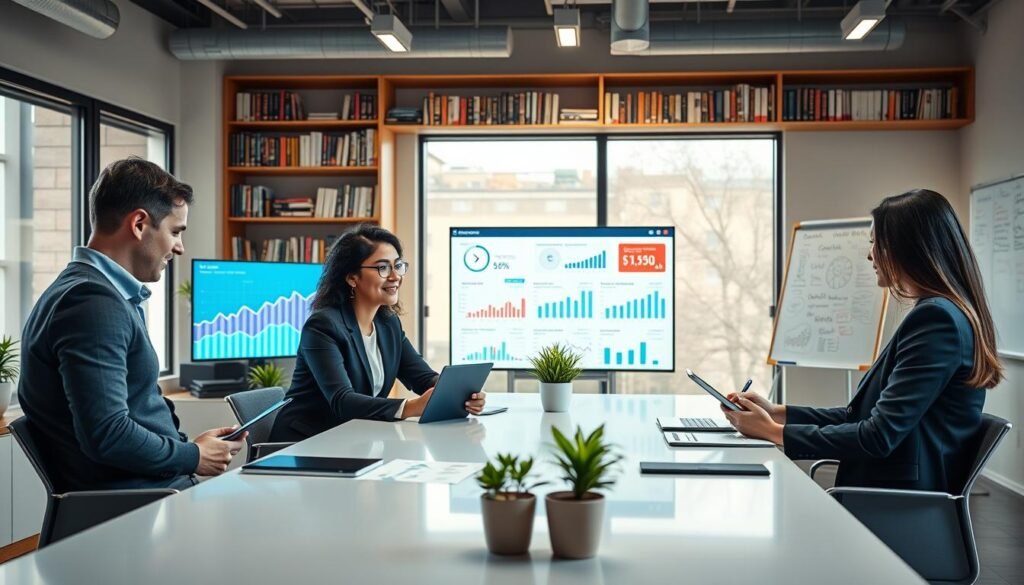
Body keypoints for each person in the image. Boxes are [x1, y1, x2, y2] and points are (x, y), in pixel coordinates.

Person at [724, 189, 1003, 492]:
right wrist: (777, 412)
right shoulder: (940, 314)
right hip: (887, 493)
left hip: (895, 503)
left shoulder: (937, 320)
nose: (870, 254)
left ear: (908, 248)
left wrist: (774, 432)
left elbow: (878, 436)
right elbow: (858, 417)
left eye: (875, 243)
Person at [18, 157, 246, 492]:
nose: (179, 247)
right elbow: (108, 434)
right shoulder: (92, 303)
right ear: (139, 224)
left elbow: (132, 410)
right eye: (175, 231)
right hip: (137, 508)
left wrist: (191, 449)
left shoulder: (97, 293)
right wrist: (191, 456)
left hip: (157, 492)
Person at [270, 225, 486, 442]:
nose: (395, 277)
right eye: (383, 268)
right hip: (304, 443)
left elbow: (422, 377)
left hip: (354, 439)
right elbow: (342, 401)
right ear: (352, 278)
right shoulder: (322, 326)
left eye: (398, 266)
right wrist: (411, 407)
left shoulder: (387, 323)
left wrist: (459, 393)